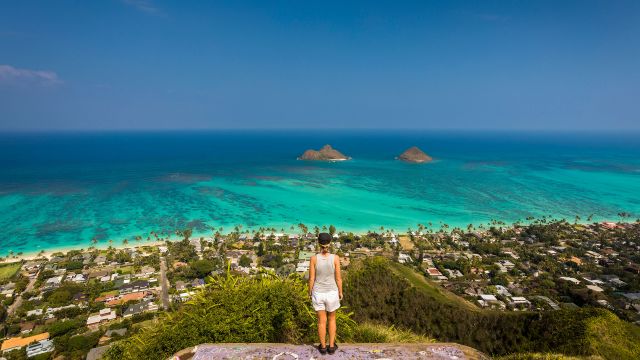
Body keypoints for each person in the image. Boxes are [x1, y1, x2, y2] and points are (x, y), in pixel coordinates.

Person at [308, 232, 343, 355]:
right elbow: (338, 278)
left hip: (318, 293)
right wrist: (340, 291)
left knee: (321, 321)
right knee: (332, 319)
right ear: (330, 243)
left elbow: (311, 278)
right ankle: (331, 347)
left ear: (319, 243)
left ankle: (323, 347)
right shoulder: (335, 258)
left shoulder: (313, 259)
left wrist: (309, 291)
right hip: (332, 292)